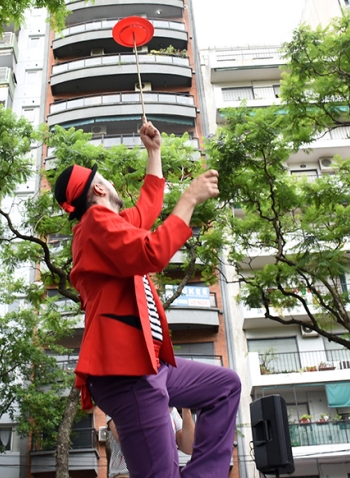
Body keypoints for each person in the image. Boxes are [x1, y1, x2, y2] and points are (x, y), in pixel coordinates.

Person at [53, 120, 241, 478]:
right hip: (128, 373)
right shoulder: (96, 223)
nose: (109, 181)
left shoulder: (108, 228)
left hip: (148, 365)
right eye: (105, 178)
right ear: (98, 188)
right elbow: (153, 252)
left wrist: (154, 153)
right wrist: (189, 198)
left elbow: (148, 209)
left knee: (224, 386)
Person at [107, 408, 195, 478]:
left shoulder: (171, 409)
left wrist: (185, 408)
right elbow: (123, 436)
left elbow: (189, 447)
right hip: (127, 473)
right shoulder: (117, 402)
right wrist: (159, 411)